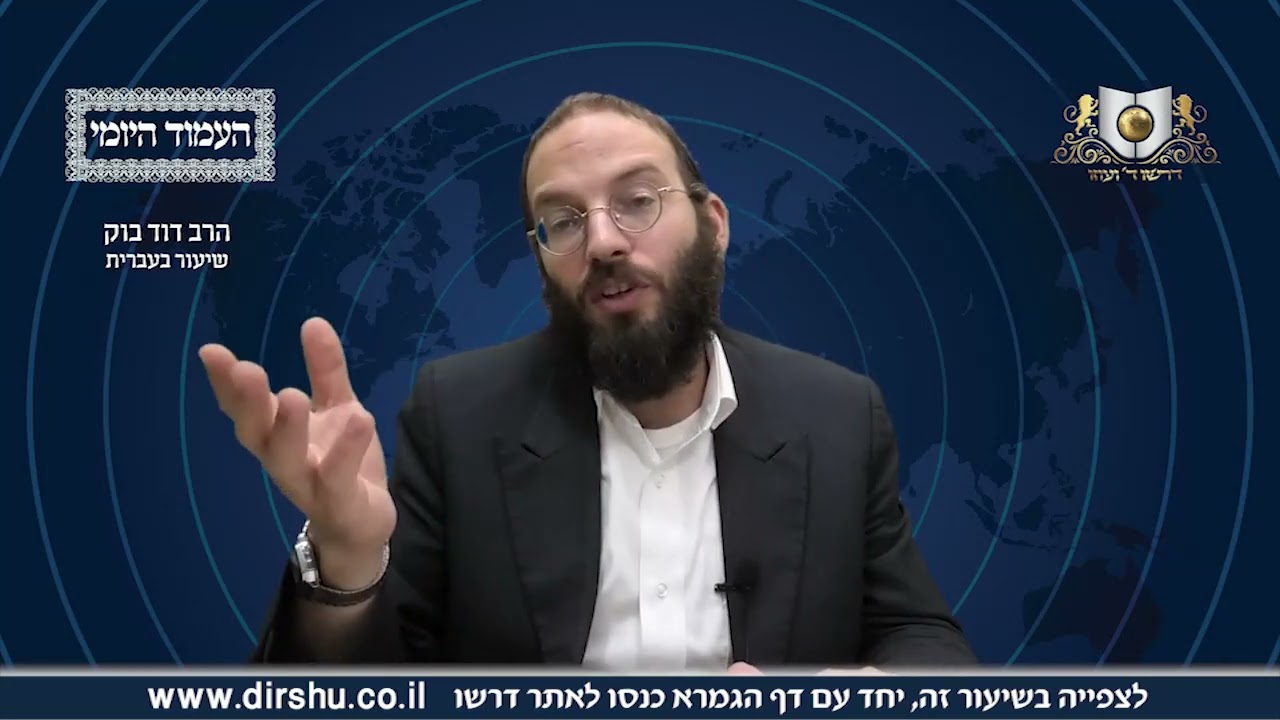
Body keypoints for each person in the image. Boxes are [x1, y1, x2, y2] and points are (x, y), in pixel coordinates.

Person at [198, 92, 977, 671]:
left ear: (713, 224)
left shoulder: (839, 415)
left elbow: (922, 637)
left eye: (637, 200)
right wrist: (346, 562)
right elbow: (366, 686)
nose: (602, 240)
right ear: (541, 258)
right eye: (564, 220)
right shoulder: (457, 414)